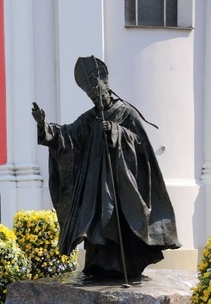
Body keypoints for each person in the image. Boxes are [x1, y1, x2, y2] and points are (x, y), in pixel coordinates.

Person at [32, 56, 180, 278]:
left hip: (122, 185)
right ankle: (99, 266)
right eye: (92, 97)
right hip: (97, 187)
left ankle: (127, 266)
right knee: (98, 224)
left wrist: (115, 131)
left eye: (98, 95)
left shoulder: (126, 113)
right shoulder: (90, 118)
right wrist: (44, 127)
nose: (96, 100)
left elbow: (141, 145)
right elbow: (68, 136)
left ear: (106, 88)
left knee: (120, 221)